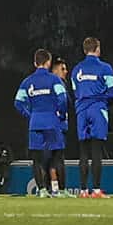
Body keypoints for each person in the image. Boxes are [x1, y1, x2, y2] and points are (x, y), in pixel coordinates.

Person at [14, 49, 68, 196]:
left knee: (37, 158)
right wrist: (61, 114)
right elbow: (63, 98)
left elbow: (18, 103)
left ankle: (42, 190)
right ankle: (61, 191)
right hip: (52, 121)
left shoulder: (27, 82)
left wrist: (30, 115)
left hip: (35, 123)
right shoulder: (54, 80)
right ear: (48, 62)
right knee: (57, 156)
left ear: (35, 63)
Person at [70, 38, 113, 197]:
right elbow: (112, 90)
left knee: (83, 151)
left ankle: (83, 190)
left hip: (81, 110)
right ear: (97, 49)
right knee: (97, 150)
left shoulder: (76, 69)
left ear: (84, 50)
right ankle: (96, 189)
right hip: (98, 108)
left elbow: (75, 92)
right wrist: (101, 99)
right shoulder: (105, 68)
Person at [48, 58, 73, 192]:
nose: (66, 72)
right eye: (62, 69)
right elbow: (64, 103)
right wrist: (62, 116)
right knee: (57, 157)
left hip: (48, 125)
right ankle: (59, 189)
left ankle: (52, 188)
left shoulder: (57, 84)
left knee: (52, 157)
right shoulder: (57, 84)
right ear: (55, 70)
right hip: (57, 125)